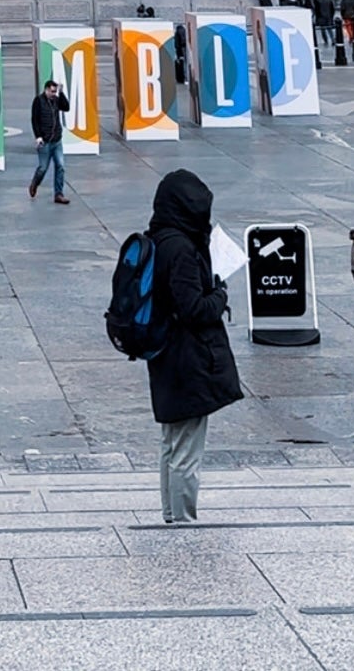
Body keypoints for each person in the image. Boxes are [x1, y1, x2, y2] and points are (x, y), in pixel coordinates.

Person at [144, 169, 243, 525]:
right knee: (186, 447)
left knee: (171, 442)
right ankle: (183, 522)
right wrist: (219, 295)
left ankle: (171, 515)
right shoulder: (182, 249)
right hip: (187, 358)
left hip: (165, 354)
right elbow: (192, 308)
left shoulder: (158, 239)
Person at [29, 79, 71, 204]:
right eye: (52, 91)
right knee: (43, 168)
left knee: (60, 167)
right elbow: (34, 120)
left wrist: (62, 93)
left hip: (56, 140)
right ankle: (35, 183)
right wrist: (38, 136)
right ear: (46, 90)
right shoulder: (38, 101)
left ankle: (59, 194)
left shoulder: (56, 101)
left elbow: (66, 107)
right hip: (45, 141)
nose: (54, 94)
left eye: (55, 91)